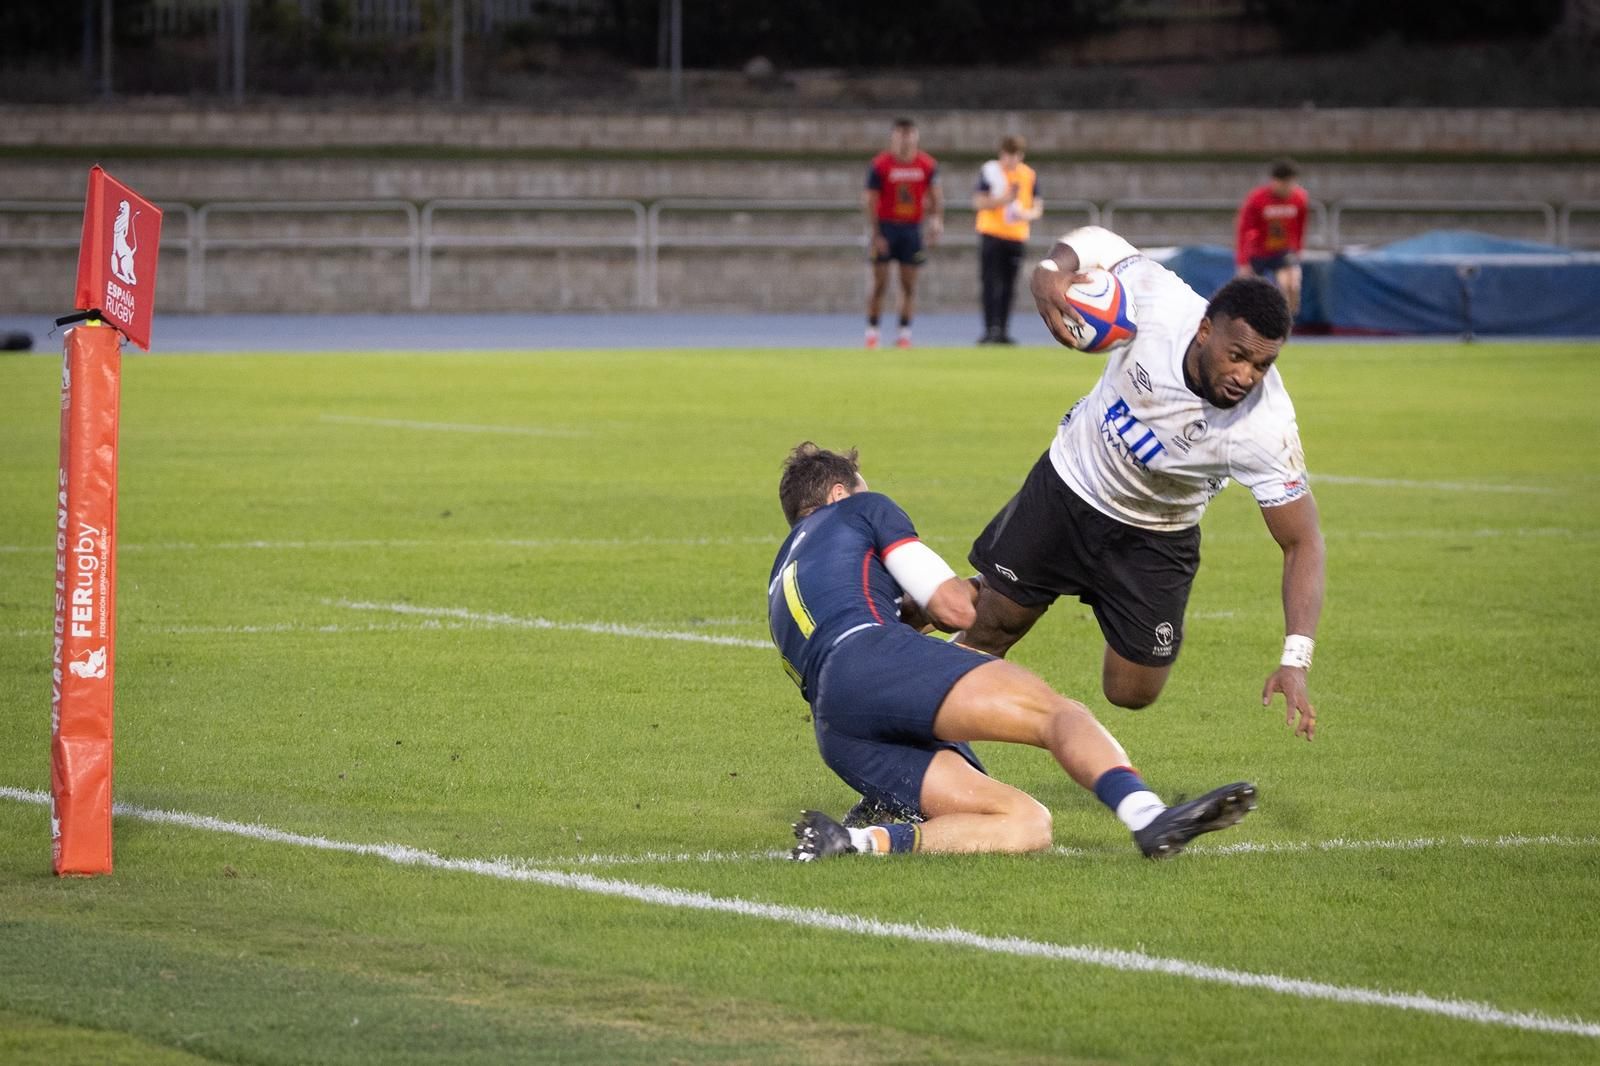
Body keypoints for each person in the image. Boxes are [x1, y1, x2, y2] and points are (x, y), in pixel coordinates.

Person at [768, 442, 1257, 862]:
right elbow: (955, 610)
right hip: (874, 661)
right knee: (1059, 716)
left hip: (836, 727)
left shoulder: (782, 574)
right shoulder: (862, 508)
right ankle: (1147, 817)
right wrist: (978, 586)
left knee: (1026, 823)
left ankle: (855, 840)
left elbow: (851, 626)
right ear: (839, 494)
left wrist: (913, 612)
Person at [962, 226, 1325, 742]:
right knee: (991, 628)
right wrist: (1047, 276)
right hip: (1072, 485)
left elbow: (1302, 541)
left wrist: (1296, 660)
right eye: (1238, 355)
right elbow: (1097, 241)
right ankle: (919, 742)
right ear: (1204, 331)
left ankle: (964, 591)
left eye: (1263, 365)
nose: (1247, 376)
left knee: (1131, 691)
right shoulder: (1157, 303)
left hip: (1159, 532)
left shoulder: (1265, 428)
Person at [863, 118, 943, 350]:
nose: (905, 140)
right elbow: (870, 199)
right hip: (887, 227)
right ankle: (872, 333)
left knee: (908, 284)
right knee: (880, 283)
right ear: (893, 137)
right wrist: (876, 232)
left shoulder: (926, 165)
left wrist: (936, 220)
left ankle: (904, 334)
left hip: (911, 228)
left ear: (916, 137)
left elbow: (936, 195)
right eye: (901, 135)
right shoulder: (880, 165)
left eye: (909, 135)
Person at [973, 134, 1044, 345]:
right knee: (990, 283)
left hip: (1016, 236)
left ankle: (1003, 329)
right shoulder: (991, 172)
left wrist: (1026, 214)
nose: (1011, 160)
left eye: (1016, 156)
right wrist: (1003, 200)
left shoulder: (1028, 175)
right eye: (1008, 155)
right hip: (992, 233)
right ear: (1001, 154)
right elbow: (978, 201)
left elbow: (1037, 207)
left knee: (1008, 285)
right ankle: (989, 329)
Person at [1235, 158, 1310, 317]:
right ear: (1274, 182)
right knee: (1247, 290)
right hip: (1259, 251)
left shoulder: (1299, 199)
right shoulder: (1257, 199)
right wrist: (1242, 261)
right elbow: (1243, 229)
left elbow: (1300, 226)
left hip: (1283, 251)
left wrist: (1298, 250)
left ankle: (1285, 322)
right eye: (1284, 184)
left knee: (1290, 285)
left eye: (1291, 183)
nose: (1288, 188)